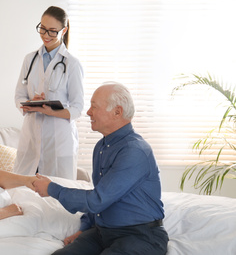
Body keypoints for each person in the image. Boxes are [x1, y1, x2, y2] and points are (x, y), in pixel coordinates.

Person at [33, 82, 169, 255]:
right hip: (102, 233)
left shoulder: (134, 151)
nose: (88, 112)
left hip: (140, 236)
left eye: (94, 106)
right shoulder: (102, 146)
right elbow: (102, 197)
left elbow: (97, 200)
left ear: (117, 112)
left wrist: (52, 188)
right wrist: (84, 229)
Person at [14, 6, 84, 180]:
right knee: (23, 190)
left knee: (57, 197)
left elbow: (77, 108)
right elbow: (19, 96)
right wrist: (30, 103)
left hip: (59, 142)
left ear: (64, 30)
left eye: (52, 31)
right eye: (43, 29)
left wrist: (52, 112)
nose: (46, 35)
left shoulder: (72, 64)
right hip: (31, 138)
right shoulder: (30, 59)